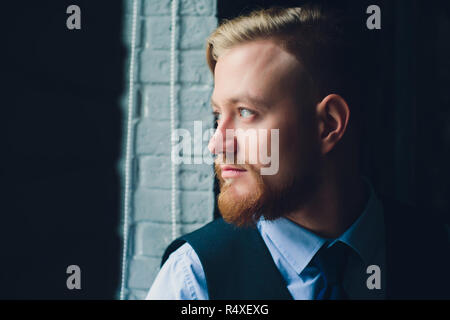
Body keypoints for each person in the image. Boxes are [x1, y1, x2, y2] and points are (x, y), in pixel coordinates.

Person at [146, 5, 449, 300]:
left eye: (246, 112)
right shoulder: (193, 279)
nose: (216, 144)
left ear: (328, 124)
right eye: (217, 116)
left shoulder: (436, 253)